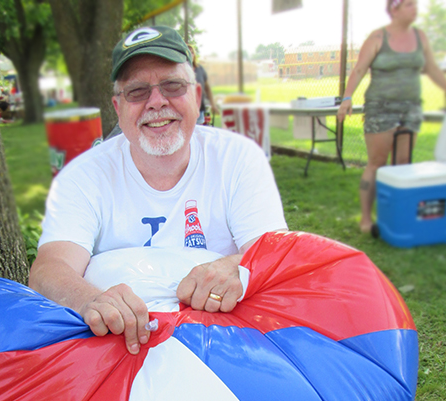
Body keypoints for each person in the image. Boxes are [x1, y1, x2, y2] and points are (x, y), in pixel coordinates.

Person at [28, 26, 287, 355]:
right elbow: (48, 270)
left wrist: (236, 264)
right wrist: (91, 300)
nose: (156, 102)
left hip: (226, 348)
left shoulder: (238, 158)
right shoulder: (83, 175)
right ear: (117, 107)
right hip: (116, 351)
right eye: (137, 91)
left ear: (196, 95)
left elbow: (278, 254)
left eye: (172, 85)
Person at [337, 0, 446, 233]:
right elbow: (359, 69)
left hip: (411, 109)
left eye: (415, 4)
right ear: (394, 9)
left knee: (402, 165)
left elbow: (432, 69)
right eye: (409, 4)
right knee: (377, 163)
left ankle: (395, 216)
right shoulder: (378, 38)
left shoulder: (420, 37)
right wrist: (347, 98)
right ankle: (366, 219)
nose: (415, 8)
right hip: (381, 108)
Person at [187, 43, 220, 125]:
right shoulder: (180, 69)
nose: (190, 54)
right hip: (186, 111)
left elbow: (207, 88)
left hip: (200, 110)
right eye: (188, 52)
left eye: (192, 52)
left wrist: (213, 104)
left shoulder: (200, 68)